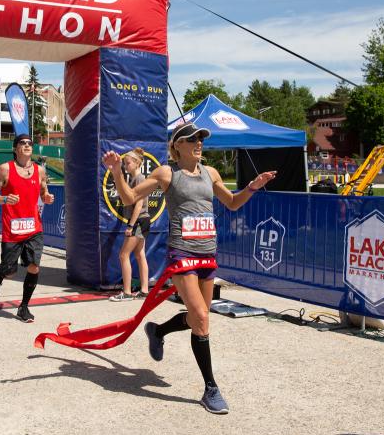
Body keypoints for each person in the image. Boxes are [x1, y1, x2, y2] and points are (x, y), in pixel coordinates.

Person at [102, 122, 276, 414]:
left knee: (199, 320)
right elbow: (130, 198)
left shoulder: (211, 173)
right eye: (192, 139)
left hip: (207, 253)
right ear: (177, 146)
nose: (198, 143)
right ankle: (211, 388)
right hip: (182, 253)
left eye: (201, 140)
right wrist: (117, 171)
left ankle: (158, 331)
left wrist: (251, 187)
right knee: (202, 317)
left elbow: (232, 203)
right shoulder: (167, 173)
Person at [0, 133, 55, 322]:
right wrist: (5, 199)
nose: (27, 145)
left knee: (34, 266)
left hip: (34, 228)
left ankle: (23, 307)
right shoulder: (4, 169)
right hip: (12, 230)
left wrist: (47, 198)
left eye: (29, 143)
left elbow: (44, 192)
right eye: (22, 143)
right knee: (10, 271)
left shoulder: (40, 170)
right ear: (15, 148)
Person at [110, 147, 151, 302]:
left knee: (123, 254)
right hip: (142, 220)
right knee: (140, 255)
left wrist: (131, 225)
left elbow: (139, 205)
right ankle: (145, 290)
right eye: (125, 164)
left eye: (127, 164)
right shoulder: (132, 179)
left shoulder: (140, 179)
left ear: (136, 163)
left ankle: (127, 292)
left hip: (139, 220)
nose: (125, 166)